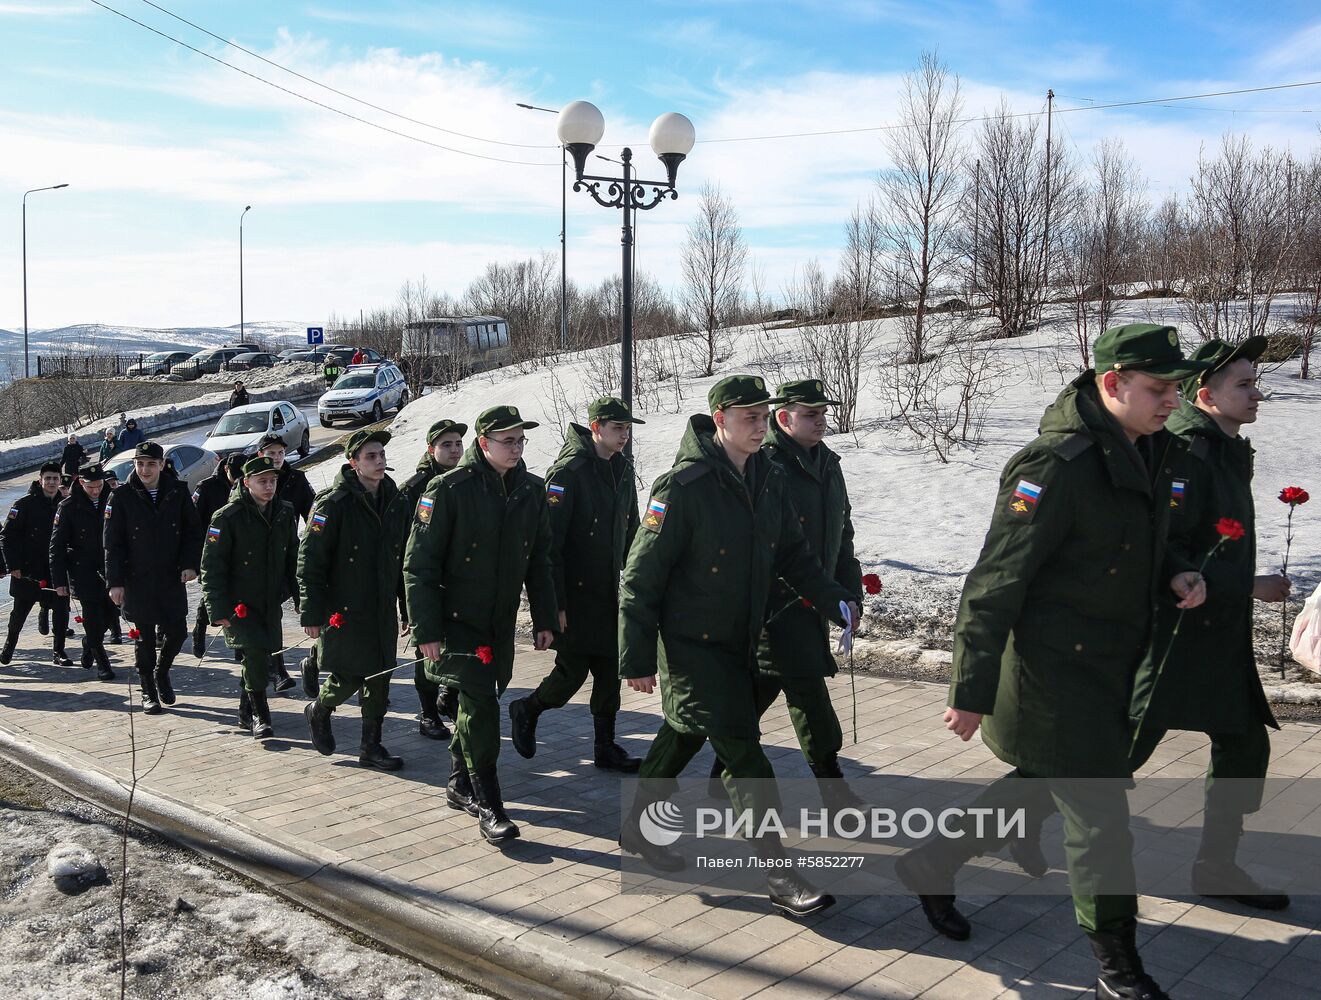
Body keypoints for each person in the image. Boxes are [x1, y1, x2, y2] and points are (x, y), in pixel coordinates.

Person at [897, 325, 1209, 1000]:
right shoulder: (1054, 466)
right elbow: (993, 583)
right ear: (1112, 382)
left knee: (1038, 782)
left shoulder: (1149, 452)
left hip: (1110, 667)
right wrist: (970, 687)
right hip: (1052, 673)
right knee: (1098, 817)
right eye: (1158, 389)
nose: (1169, 401)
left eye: (1176, 388)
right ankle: (1117, 969)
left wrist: (1176, 574)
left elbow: (1139, 549)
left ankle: (932, 860)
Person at [617, 375, 858, 918]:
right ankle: (777, 870)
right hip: (689, 646)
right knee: (744, 751)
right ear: (720, 419)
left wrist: (835, 600)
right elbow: (639, 578)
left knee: (683, 732)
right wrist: (634, 657)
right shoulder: (682, 487)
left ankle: (636, 826)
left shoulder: (768, 478)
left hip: (738, 640)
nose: (758, 425)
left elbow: (795, 556)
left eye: (762, 415)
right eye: (748, 417)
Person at [1129, 335, 1290, 911]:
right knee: (1102, 758)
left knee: (1244, 744)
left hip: (1219, 634)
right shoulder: (1187, 453)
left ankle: (1216, 866)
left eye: (1255, 382)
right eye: (1243, 384)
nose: (1256, 394)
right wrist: (1246, 585)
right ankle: (962, 849)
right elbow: (1166, 551)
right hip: (1175, 637)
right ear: (1207, 395)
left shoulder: (1225, 449)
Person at [705, 379, 866, 809]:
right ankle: (833, 789)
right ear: (784, 417)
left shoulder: (828, 464)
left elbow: (842, 537)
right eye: (810, 414)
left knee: (758, 693)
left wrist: (847, 593)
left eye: (823, 414)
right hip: (778, 607)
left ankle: (720, 775)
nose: (820, 422)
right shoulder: (767, 464)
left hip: (817, 596)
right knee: (808, 693)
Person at [405, 406, 557, 843]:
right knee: (481, 708)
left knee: (482, 701)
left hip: (499, 623)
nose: (517, 447)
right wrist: (426, 629)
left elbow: (541, 560)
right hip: (457, 623)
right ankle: (491, 805)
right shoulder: (448, 488)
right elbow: (419, 565)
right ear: (484, 443)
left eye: (521, 440)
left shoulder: (531, 490)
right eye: (508, 440)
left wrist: (545, 617)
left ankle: (457, 781)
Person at [508, 396, 643, 772]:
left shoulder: (622, 468)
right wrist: (557, 606)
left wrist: (639, 574)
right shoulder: (568, 473)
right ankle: (527, 708)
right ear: (596, 428)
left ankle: (605, 746)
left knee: (609, 668)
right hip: (575, 593)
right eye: (617, 429)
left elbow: (630, 529)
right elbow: (550, 545)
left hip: (606, 591)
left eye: (627, 430)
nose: (624, 436)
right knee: (572, 672)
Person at [300, 430, 413, 770]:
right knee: (351, 673)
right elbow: (311, 561)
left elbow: (403, 557)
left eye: (381, 455)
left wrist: (407, 605)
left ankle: (371, 746)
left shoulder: (395, 499)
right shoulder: (333, 503)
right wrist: (311, 610)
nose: (379, 461)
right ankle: (319, 708)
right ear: (354, 463)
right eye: (370, 457)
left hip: (380, 606)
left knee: (381, 672)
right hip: (345, 606)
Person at [200, 456, 299, 740]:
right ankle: (261, 715)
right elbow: (212, 565)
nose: (269, 487)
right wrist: (216, 607)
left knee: (265, 653)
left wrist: (300, 596)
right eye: (262, 481)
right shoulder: (227, 517)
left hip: (270, 601)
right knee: (255, 654)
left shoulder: (284, 511)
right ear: (246, 483)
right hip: (239, 604)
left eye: (273, 480)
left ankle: (245, 709)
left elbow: (292, 556)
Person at [105, 441, 203, 715]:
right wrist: (115, 582)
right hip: (137, 578)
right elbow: (112, 543)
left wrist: (189, 564)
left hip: (171, 576)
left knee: (178, 632)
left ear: (161, 465)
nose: (145, 470)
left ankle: (162, 673)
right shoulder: (121, 496)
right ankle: (148, 689)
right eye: (140, 464)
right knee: (144, 638)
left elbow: (193, 532)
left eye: (150, 464)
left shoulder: (178, 492)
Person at [396, 418, 467, 742]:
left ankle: (448, 696)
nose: (454, 450)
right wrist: (407, 606)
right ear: (430, 449)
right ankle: (427, 712)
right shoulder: (416, 488)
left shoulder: (466, 479)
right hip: (427, 585)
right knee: (427, 651)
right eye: (446, 445)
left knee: (462, 646)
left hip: (460, 584)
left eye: (457, 444)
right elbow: (404, 553)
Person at [1, 462, 73, 666]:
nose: (51, 482)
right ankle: (9, 647)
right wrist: (12, 565)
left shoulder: (67, 504)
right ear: (40, 480)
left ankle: (59, 651)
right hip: (27, 570)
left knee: (61, 612)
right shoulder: (24, 504)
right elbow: (7, 536)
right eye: (48, 478)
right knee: (19, 614)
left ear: (60, 481)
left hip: (56, 569)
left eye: (55, 478)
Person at [49, 464, 116, 680]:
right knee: (93, 619)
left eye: (99, 486)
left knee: (110, 617)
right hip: (83, 572)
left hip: (111, 568)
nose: (95, 491)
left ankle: (89, 642)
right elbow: (56, 546)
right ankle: (103, 665)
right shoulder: (68, 507)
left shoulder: (114, 500)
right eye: (90, 486)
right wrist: (59, 580)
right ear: (80, 483)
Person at [189, 454, 244, 658]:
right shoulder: (206, 487)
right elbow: (193, 521)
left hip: (237, 552)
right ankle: (200, 630)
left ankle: (240, 645)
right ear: (226, 469)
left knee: (238, 594)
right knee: (212, 595)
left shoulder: (245, 485)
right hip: (210, 550)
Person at [257, 433, 315, 523]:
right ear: (260, 455)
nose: (277, 457)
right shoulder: (251, 481)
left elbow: (314, 512)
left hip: (289, 536)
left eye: (281, 452)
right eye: (271, 453)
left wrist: (316, 535)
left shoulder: (296, 479)